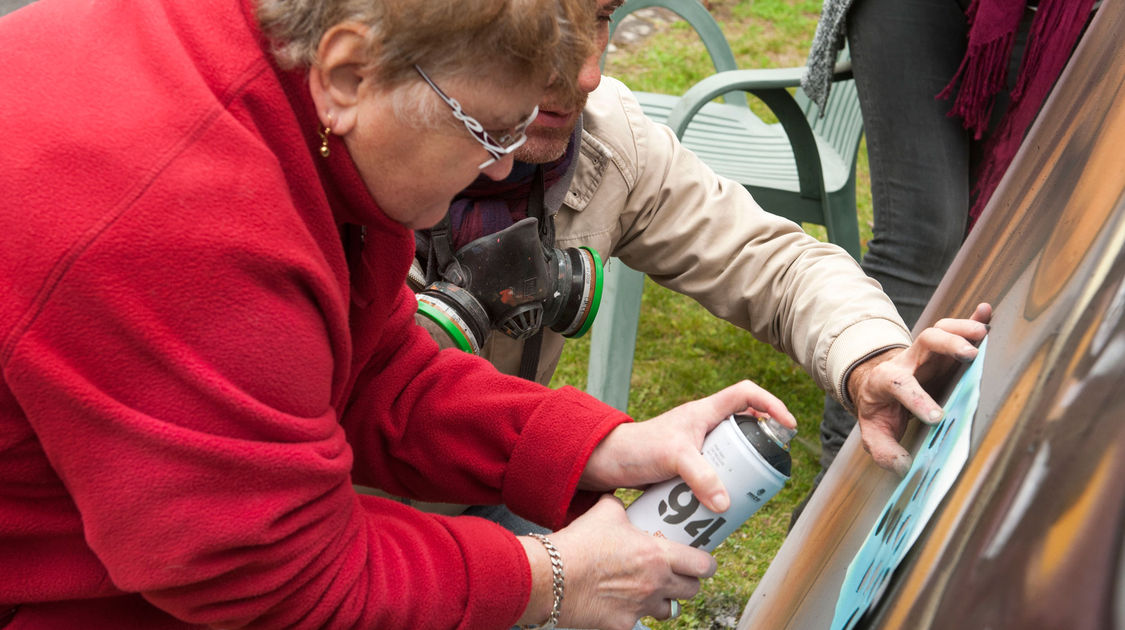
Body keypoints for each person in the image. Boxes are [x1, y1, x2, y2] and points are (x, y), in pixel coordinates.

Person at [0, 1, 821, 629]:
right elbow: (271, 581)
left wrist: (599, 447)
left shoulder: (299, 90)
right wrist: (556, 575)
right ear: (351, 73)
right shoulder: (182, 215)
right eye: (488, 129)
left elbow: (370, 361)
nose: (500, 166)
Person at [405, 0, 994, 539]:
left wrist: (868, 359)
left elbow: (774, 265)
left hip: (485, 482)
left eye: (601, 17)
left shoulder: (607, 141)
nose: (588, 73)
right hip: (344, 507)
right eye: (550, 25)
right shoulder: (337, 172)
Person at [796, 0, 1097, 524]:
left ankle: (943, 503)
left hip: (1056, 14)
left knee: (1010, 235)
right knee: (921, 238)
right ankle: (832, 511)